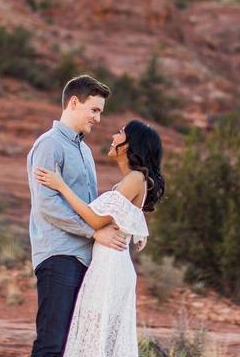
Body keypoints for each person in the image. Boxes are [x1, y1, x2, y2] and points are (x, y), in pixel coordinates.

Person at [34, 118, 165, 357]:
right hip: (109, 265)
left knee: (96, 339)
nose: (113, 137)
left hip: (111, 268)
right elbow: (125, 214)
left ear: (128, 145)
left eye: (119, 133)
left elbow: (95, 219)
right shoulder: (132, 181)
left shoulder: (135, 179)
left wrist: (61, 186)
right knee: (96, 338)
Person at [27, 75, 128, 357]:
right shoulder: (49, 145)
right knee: (52, 344)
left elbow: (89, 206)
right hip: (59, 255)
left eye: (100, 112)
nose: (98, 118)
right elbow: (47, 206)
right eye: (94, 110)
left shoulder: (83, 149)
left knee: (73, 345)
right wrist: (94, 232)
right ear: (74, 102)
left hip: (84, 257)